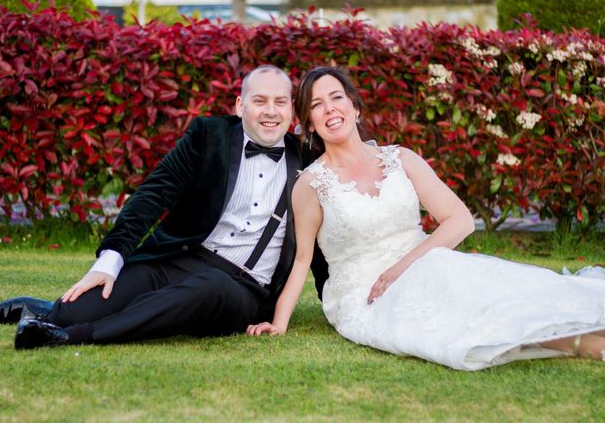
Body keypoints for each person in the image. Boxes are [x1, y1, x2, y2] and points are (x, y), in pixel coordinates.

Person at [247, 66, 605, 371]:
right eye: (316, 105)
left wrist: (403, 267)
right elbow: (303, 260)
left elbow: (459, 220)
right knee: (452, 312)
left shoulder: (400, 159)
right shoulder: (310, 185)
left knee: (483, 285)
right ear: (309, 122)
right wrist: (279, 324)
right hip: (362, 291)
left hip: (423, 262)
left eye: (336, 97)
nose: (329, 109)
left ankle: (585, 324)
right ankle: (579, 343)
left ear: (354, 107)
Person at [0, 65, 323, 349]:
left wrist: (342, 301)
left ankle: (71, 336)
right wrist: (110, 261)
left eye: (280, 102)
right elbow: (152, 195)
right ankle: (51, 313)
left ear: (292, 110)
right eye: (259, 100)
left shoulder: (309, 163)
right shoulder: (209, 136)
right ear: (239, 105)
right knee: (80, 306)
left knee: (208, 288)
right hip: (181, 259)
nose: (270, 111)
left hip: (240, 287)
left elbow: (327, 242)